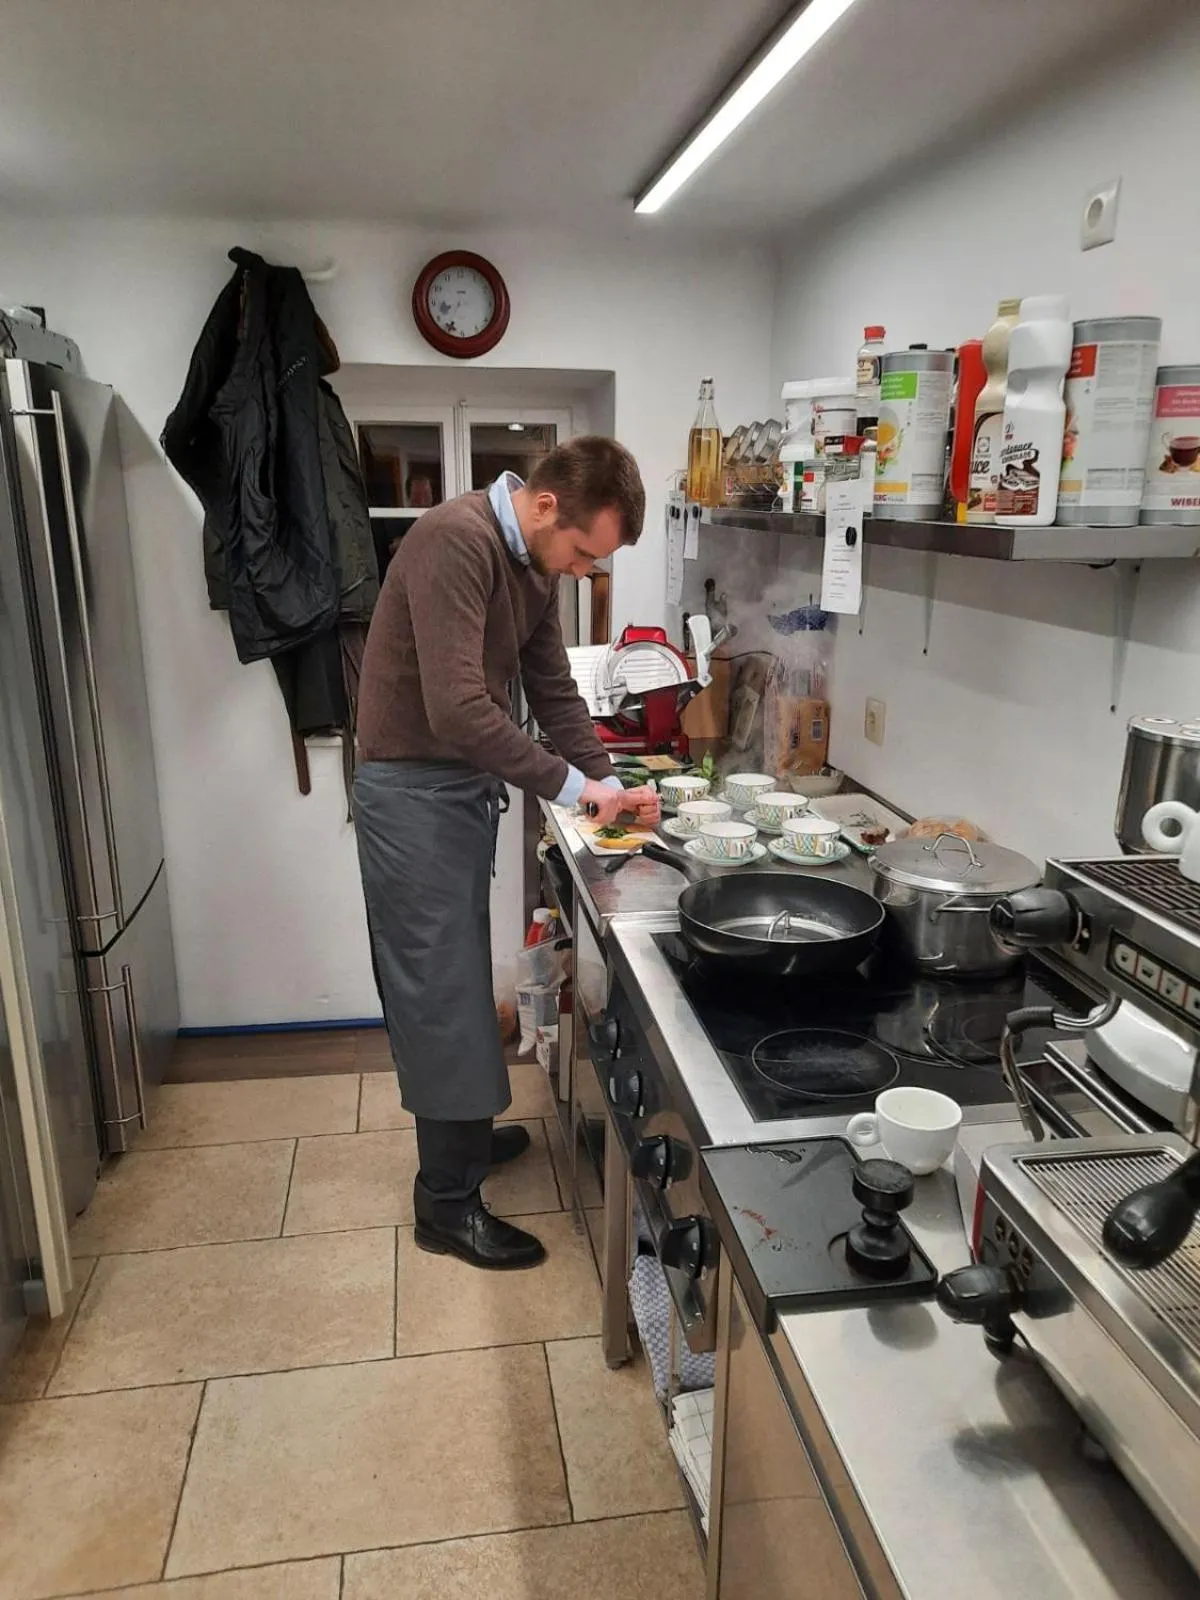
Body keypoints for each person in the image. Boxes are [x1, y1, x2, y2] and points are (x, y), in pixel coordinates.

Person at [354, 436, 659, 1270]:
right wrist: (574, 787)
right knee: (439, 990)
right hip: (410, 791)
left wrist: (609, 780)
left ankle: (460, 1141)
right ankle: (445, 1205)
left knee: (454, 977)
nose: (581, 570)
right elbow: (457, 710)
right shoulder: (457, 540)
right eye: (583, 553)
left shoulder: (529, 562)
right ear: (547, 505)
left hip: (455, 789)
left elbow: (552, 687)